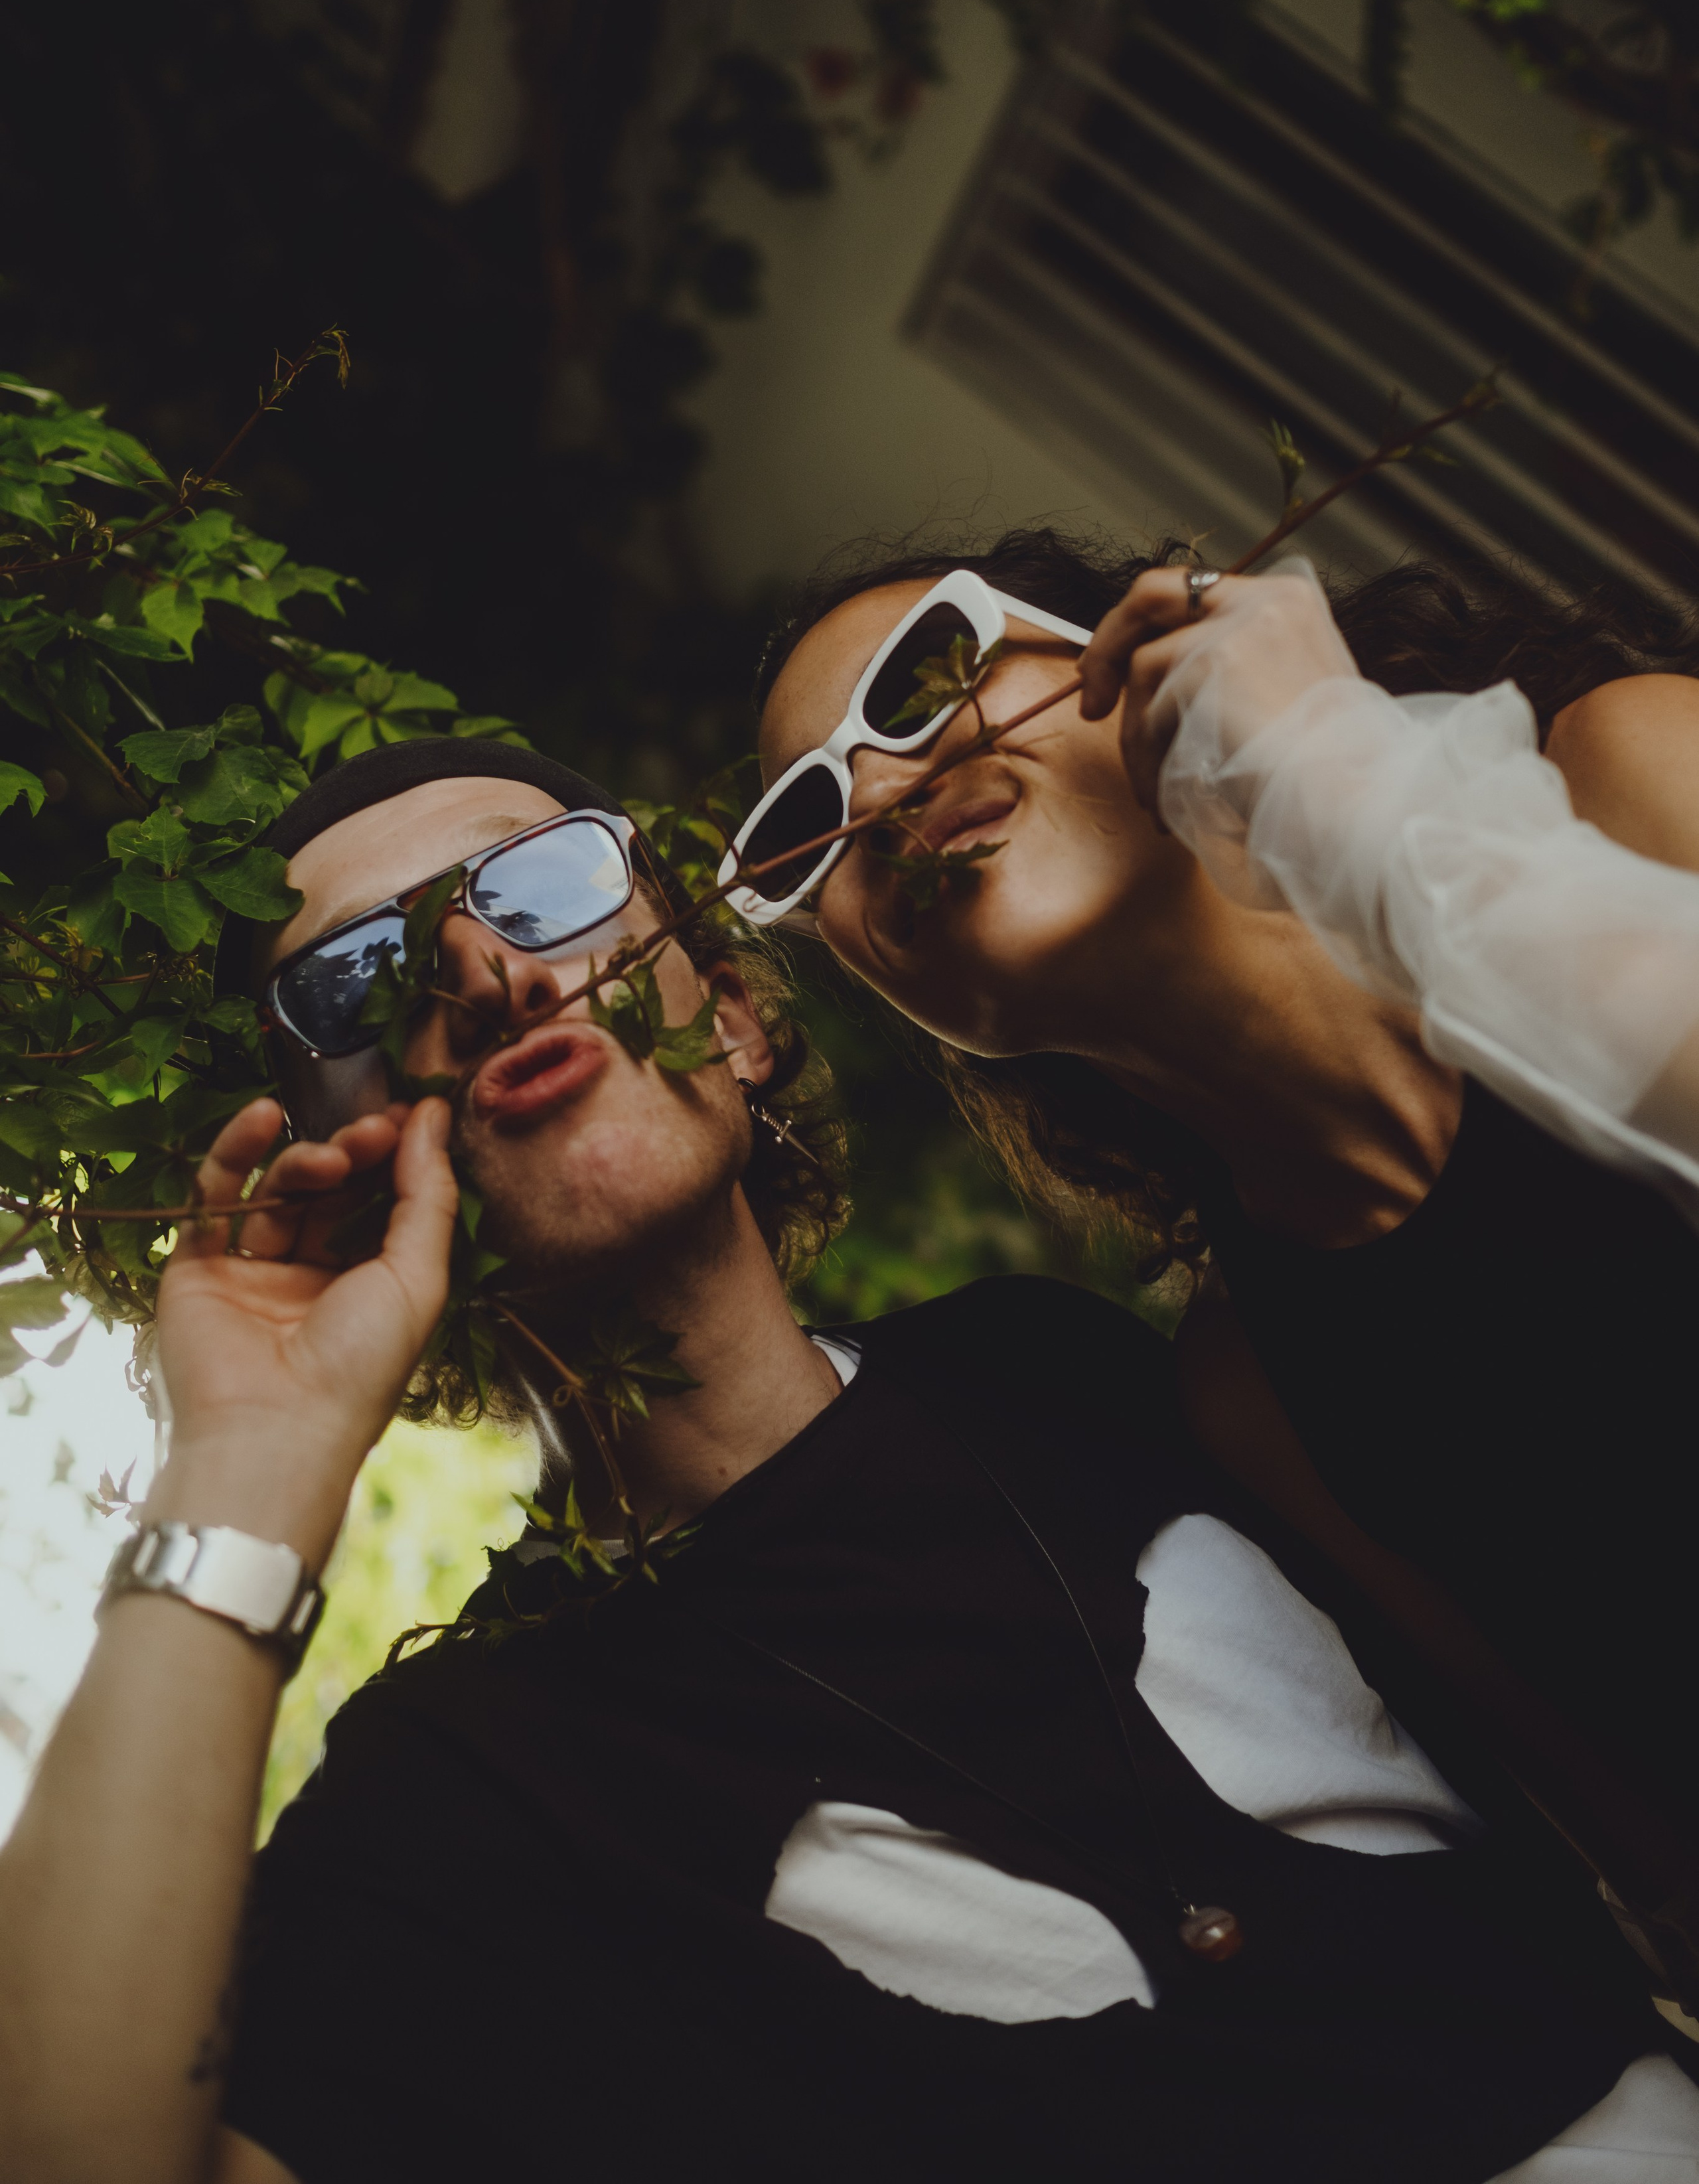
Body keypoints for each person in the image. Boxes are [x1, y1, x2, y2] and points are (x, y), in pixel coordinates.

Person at [1, 736, 1692, 2184]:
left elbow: (1585, 1769)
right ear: (350, 1158)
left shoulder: (1081, 1374)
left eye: (541, 885)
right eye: (358, 980)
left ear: (727, 1014)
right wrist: (255, 1447)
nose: (483, 971)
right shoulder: (469, 1793)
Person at [745, 529, 1699, 1992]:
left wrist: (1358, 799)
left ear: (1139, 649)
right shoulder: (1251, 1395)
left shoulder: (1625, 779)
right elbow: (1654, 1860)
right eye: (800, 833)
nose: (875, 791)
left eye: (922, 678)